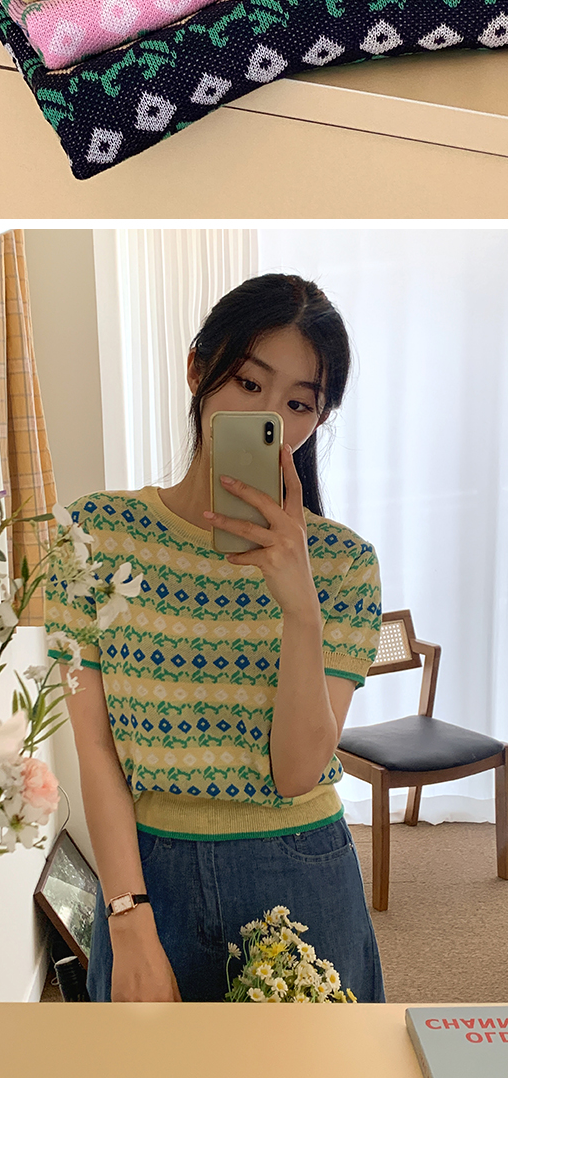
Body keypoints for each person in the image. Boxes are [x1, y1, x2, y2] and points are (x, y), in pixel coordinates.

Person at [45, 270, 384, 1001]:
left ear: (319, 418)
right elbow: (95, 747)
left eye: (299, 403)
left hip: (301, 869)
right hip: (149, 874)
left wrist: (301, 609)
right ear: (199, 368)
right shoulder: (93, 534)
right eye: (249, 383)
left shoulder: (344, 565)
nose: (270, 416)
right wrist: (128, 917)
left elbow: (297, 773)